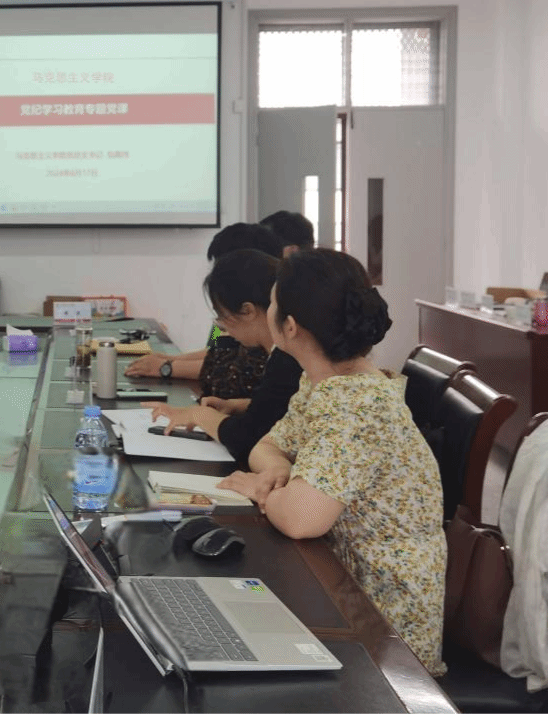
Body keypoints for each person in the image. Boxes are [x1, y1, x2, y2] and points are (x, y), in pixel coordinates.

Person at [217, 249, 446, 676]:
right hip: (338, 579)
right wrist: (277, 471)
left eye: (273, 303)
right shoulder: (324, 381)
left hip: (382, 622)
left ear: (289, 327)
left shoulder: (356, 404)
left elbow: (302, 519)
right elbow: (266, 446)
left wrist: (260, 490)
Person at [141, 250, 300, 469]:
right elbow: (213, 351)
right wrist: (240, 406)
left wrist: (197, 411)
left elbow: (220, 365)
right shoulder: (264, 347)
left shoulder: (285, 356)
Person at [126, 222, 280, 394]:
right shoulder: (229, 318)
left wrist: (167, 366)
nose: (216, 273)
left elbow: (231, 370)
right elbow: (215, 352)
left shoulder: (265, 333)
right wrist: (172, 359)